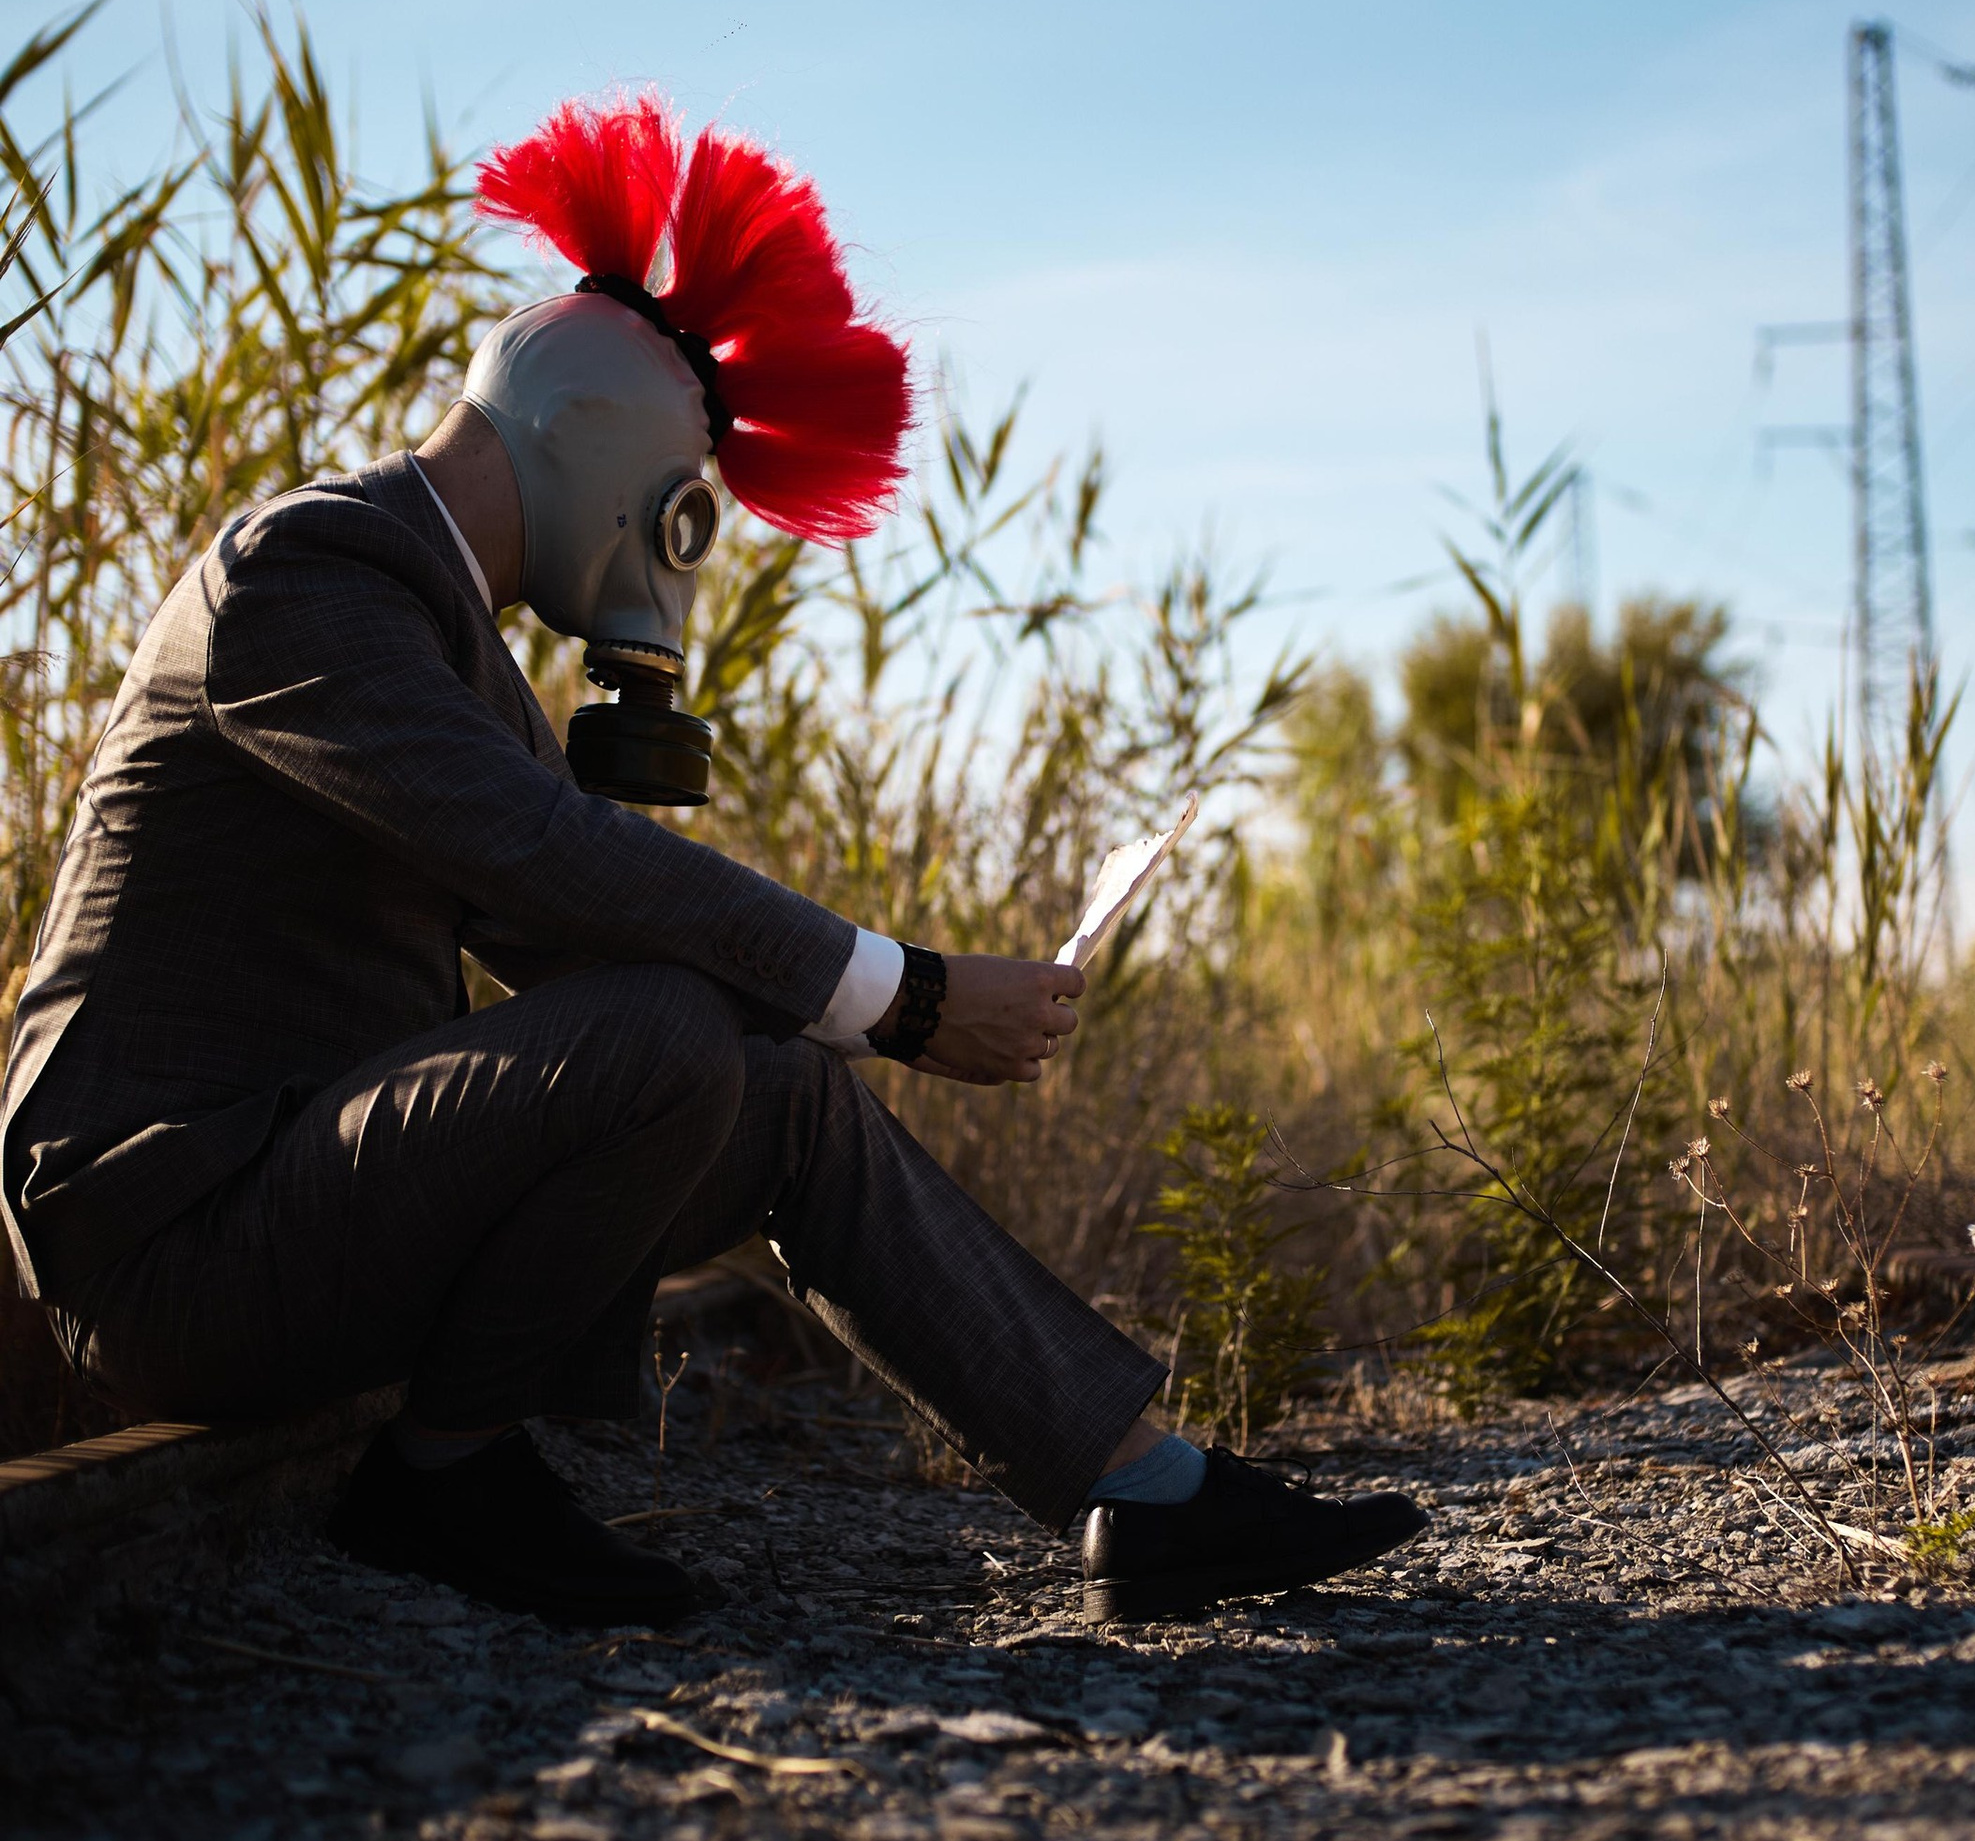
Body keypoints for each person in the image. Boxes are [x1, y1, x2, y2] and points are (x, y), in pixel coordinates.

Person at [0, 96, 1420, 1630]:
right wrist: (909, 995)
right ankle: (449, 1474)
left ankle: (1138, 1489)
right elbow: (548, 858)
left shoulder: (438, 641)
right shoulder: (307, 577)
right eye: (689, 511)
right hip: (165, 1250)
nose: (683, 550)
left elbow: (571, 922)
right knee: (680, 1036)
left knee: (771, 1079)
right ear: (608, 453)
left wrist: (852, 1013)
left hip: (297, 1205)